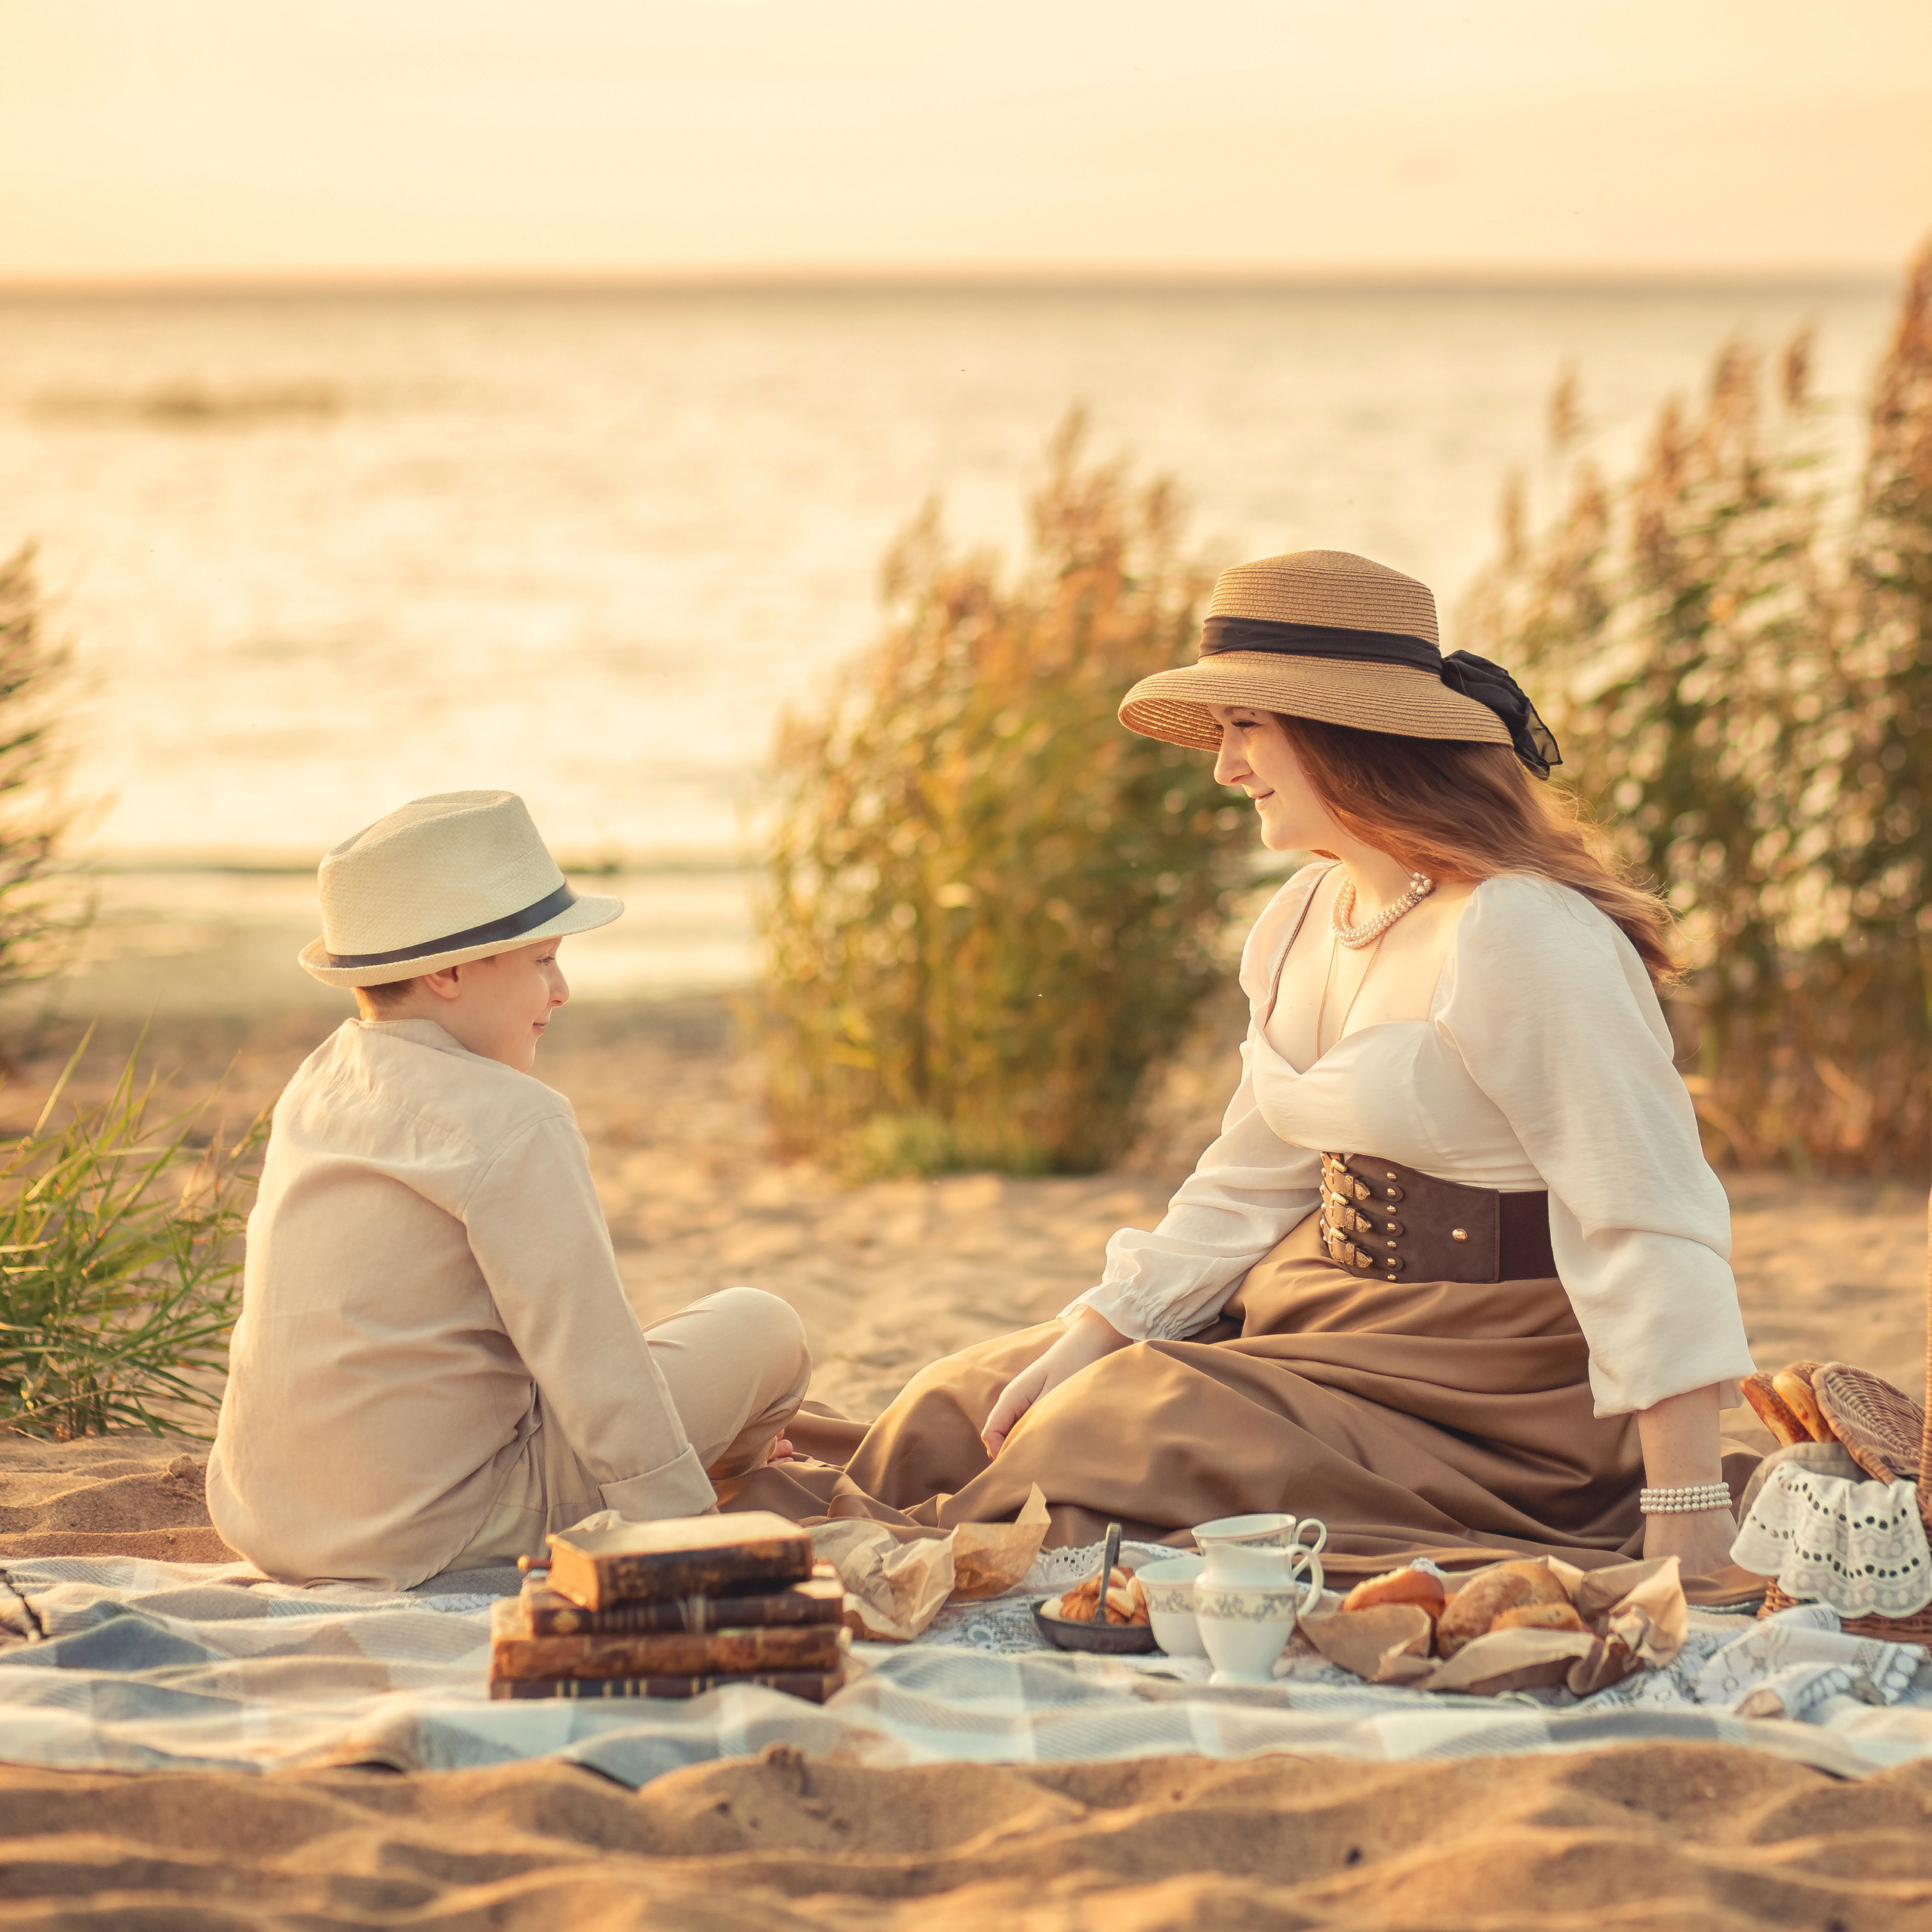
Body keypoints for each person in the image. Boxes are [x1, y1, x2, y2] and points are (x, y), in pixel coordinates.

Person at [743, 549, 1755, 1583]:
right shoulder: (1301, 918)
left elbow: (1647, 1219)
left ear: (1349, 735)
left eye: (1245, 730)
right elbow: (1248, 1179)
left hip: (1494, 1389)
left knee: (1109, 1431)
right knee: (956, 1406)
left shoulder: (1523, 931)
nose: (1224, 769)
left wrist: (1684, 1506)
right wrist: (1100, 1326)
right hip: (1315, 1318)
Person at [207, 789, 810, 1589]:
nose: (561, 990)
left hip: (270, 1518)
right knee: (764, 1326)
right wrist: (680, 1524)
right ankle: (737, 1469)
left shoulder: (318, 1084)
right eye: (542, 961)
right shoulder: (517, 1118)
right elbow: (593, 1360)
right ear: (450, 971)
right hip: (436, 1533)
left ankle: (733, 1455)